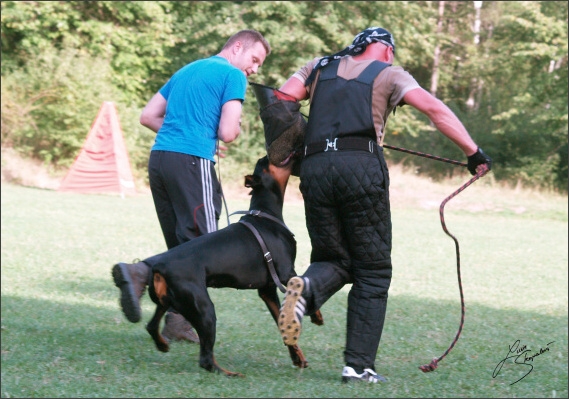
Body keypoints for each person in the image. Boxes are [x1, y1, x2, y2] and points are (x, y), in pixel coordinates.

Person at [275, 27, 492, 383]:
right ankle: (358, 367)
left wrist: (301, 140)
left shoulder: (318, 66)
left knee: (334, 258)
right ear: (386, 50)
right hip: (360, 167)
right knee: (373, 270)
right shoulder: (390, 73)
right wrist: (473, 152)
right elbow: (435, 109)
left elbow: (281, 100)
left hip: (314, 169)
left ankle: (306, 291)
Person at [113, 29, 270, 344]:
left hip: (160, 160)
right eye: (254, 59)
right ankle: (140, 272)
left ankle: (178, 323)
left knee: (182, 245)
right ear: (237, 47)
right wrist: (232, 128)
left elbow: (148, 116)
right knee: (206, 247)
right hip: (191, 162)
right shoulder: (231, 75)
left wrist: (185, 132)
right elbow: (228, 132)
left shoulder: (187, 70)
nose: (254, 69)